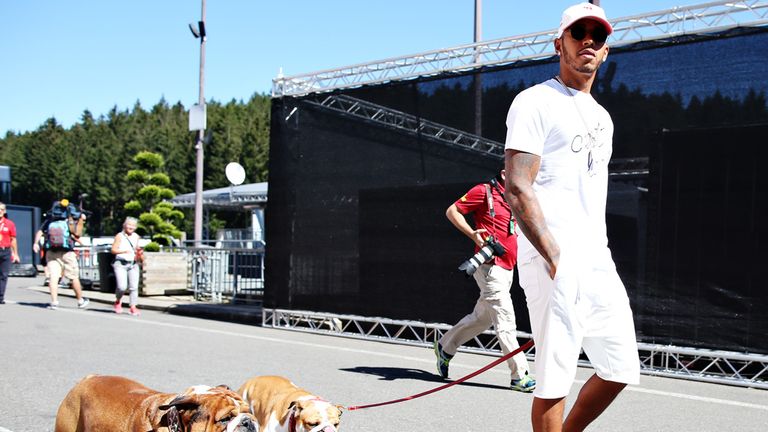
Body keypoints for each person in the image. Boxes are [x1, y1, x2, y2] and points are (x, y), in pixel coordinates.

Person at [503, 3, 640, 431]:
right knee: (554, 376)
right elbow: (518, 185)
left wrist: (585, 255)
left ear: (605, 53)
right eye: (578, 33)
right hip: (551, 257)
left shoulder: (603, 116)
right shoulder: (534, 101)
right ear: (558, 43)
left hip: (596, 256)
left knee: (619, 367)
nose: (587, 41)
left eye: (596, 37)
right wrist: (553, 254)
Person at [434, 169, 536, 393]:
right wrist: (472, 234)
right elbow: (452, 211)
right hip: (489, 268)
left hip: (508, 268)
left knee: (482, 318)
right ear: (504, 173)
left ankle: (445, 345)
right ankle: (519, 376)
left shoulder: (516, 197)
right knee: (505, 319)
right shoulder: (484, 191)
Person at [33, 199, 90, 310]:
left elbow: (40, 231)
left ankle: (54, 302)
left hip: (51, 251)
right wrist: (81, 221)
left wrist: (35, 243)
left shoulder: (49, 220)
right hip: (67, 252)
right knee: (73, 277)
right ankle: (80, 300)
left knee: (53, 277)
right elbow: (76, 234)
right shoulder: (69, 219)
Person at [111, 216, 142, 316]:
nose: (131, 227)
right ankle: (118, 301)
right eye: (129, 225)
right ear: (124, 225)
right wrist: (124, 251)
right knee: (122, 287)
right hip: (120, 263)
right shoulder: (119, 236)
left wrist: (139, 252)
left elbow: (136, 248)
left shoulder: (136, 236)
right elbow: (113, 250)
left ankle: (133, 307)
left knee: (134, 287)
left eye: (133, 226)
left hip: (132, 263)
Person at [0, 202, 21, 304]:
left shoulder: (9, 223)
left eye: (2, 209)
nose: (0, 211)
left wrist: (15, 254)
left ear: (5, 211)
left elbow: (13, 239)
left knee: (4, 275)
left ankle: (0, 297)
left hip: (5, 251)